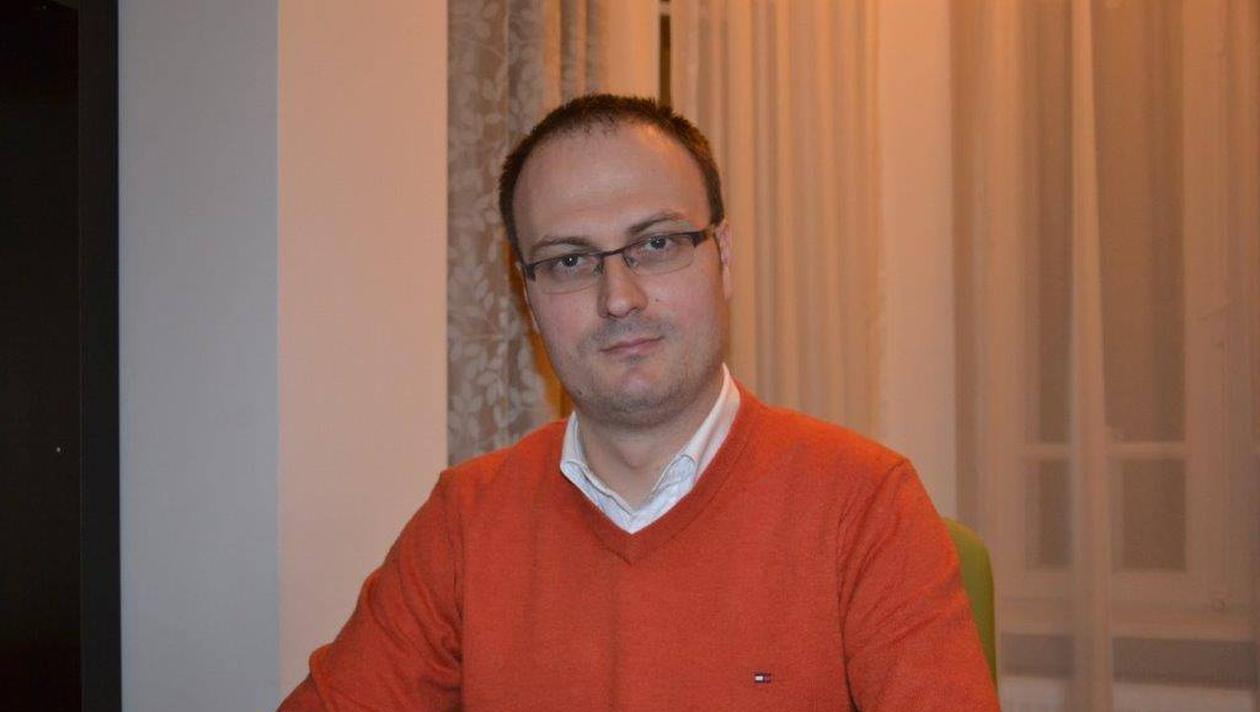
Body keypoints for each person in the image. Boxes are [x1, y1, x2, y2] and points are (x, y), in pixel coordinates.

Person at [278, 94, 999, 712]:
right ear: (529, 299)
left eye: (655, 244)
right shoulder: (465, 522)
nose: (618, 298)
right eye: (569, 260)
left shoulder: (864, 505)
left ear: (723, 258)